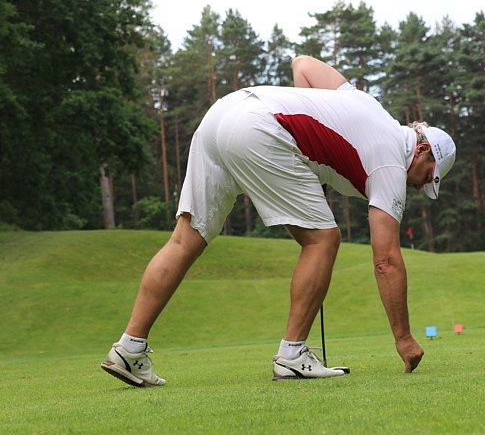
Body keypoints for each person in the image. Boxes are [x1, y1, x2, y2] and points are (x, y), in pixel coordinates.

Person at [101, 55, 457, 386]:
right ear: (422, 150)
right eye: (428, 176)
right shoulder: (392, 163)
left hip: (221, 114)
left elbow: (302, 64)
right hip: (261, 128)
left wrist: (314, 142)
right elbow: (386, 261)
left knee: (185, 239)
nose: (421, 184)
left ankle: (129, 348)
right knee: (323, 239)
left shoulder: (367, 103)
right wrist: (405, 338)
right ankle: (293, 354)